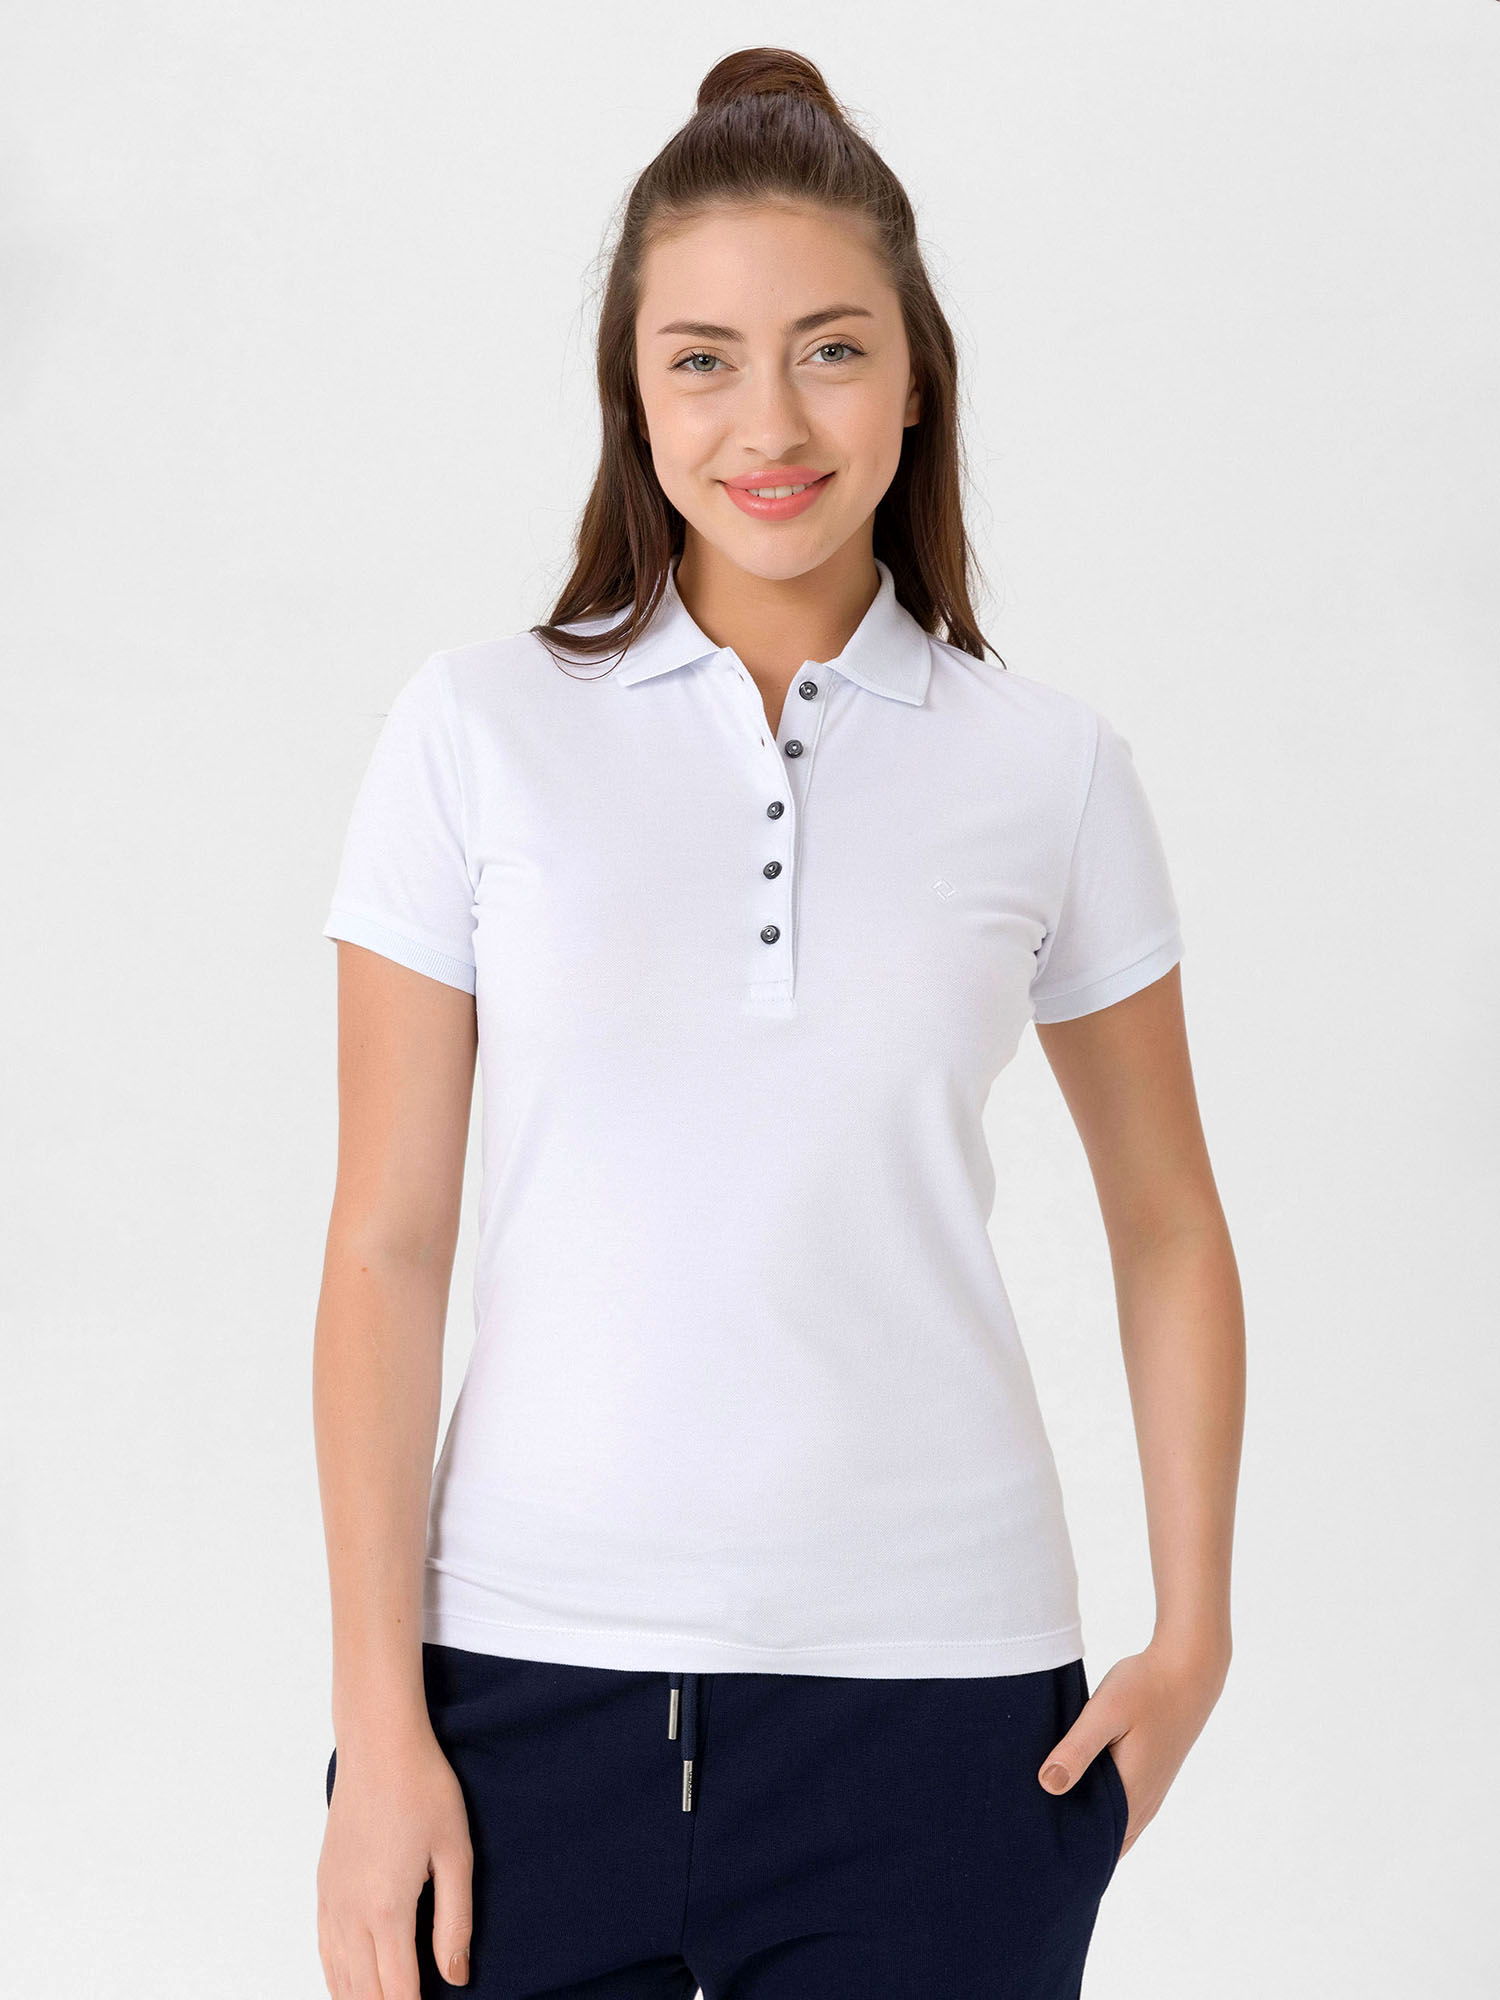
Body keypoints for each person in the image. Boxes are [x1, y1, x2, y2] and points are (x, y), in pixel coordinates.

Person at [312, 45, 1244, 2000]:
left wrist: (1195, 1636)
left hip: (944, 1718)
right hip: (515, 1707)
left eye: (831, 350)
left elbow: (1167, 1220)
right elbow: (385, 1246)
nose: (771, 422)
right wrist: (378, 1723)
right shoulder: (477, 734)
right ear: (634, 395)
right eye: (704, 359)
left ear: (915, 378)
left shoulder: (1049, 770)